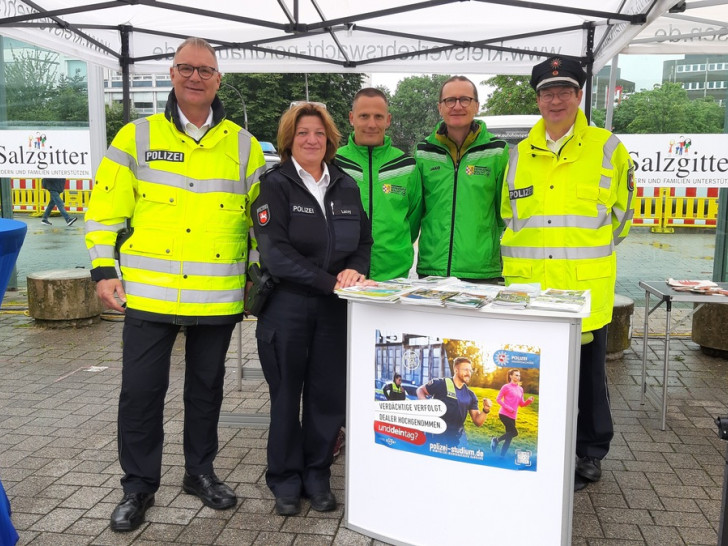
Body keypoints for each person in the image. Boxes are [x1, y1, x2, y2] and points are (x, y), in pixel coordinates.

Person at [84, 37, 266, 532]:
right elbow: (102, 214)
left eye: (205, 70)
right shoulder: (135, 137)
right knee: (141, 394)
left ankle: (199, 473)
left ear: (218, 79)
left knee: (206, 392)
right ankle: (139, 487)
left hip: (217, 295)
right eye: (186, 68)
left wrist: (254, 278)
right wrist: (104, 270)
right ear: (171, 73)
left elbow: (259, 225)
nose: (195, 77)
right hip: (149, 295)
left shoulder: (244, 145)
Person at [500, 56, 635, 491]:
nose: (555, 99)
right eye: (546, 92)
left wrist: (581, 256)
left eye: (564, 91)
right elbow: (510, 216)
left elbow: (623, 216)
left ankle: (590, 452)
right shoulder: (519, 153)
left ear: (579, 96)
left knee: (589, 380)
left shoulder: (608, 146)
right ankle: (542, 447)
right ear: (538, 100)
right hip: (532, 289)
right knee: (537, 376)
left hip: (583, 291)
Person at [252, 102, 372, 517]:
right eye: (303, 132)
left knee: (326, 397)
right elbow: (275, 253)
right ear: (289, 139)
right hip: (287, 307)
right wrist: (331, 281)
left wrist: (355, 270)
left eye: (319, 133)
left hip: (335, 310)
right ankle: (284, 478)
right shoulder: (274, 185)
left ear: (330, 139)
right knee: (286, 395)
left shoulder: (346, 184)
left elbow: (363, 241)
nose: (311, 140)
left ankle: (317, 474)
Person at [414, 76, 508, 282]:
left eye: (464, 99)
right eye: (450, 100)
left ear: (477, 106)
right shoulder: (423, 152)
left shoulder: (497, 151)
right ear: (440, 107)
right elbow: (416, 210)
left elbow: (505, 211)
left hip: (481, 270)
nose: (457, 106)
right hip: (433, 269)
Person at [335, 87, 422, 281]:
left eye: (378, 117)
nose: (371, 124)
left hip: (393, 277)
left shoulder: (406, 165)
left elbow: (413, 220)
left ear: (388, 120)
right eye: (364, 116)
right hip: (343, 276)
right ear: (351, 118)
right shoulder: (333, 162)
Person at [416, 356, 492, 446]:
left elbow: (478, 421)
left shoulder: (470, 395)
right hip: (433, 437)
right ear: (456, 370)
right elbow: (420, 390)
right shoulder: (441, 383)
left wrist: (485, 410)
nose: (469, 373)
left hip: (453, 440)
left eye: (470, 370)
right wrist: (425, 403)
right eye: (465, 370)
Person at [491, 369, 534, 457]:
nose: (518, 377)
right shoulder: (506, 387)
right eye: (516, 375)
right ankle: (496, 440)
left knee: (509, 438)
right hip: (504, 414)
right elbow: (498, 399)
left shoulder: (520, 389)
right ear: (511, 376)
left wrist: (528, 401)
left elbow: (521, 404)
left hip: (513, 416)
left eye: (519, 375)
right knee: (514, 432)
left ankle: (501, 456)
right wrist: (508, 408)